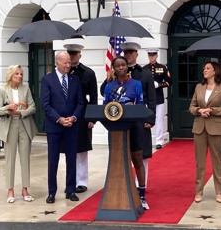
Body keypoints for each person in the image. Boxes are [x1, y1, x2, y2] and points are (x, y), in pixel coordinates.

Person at [100, 42, 156, 195]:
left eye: (132, 52)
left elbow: (151, 98)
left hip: (139, 120)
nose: (129, 55)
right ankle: (125, 183)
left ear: (137, 54)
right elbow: (104, 94)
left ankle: (140, 186)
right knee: (122, 153)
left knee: (141, 153)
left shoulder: (144, 73)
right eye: (127, 52)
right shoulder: (114, 77)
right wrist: (108, 79)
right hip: (118, 123)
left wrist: (150, 119)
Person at [103, 56, 149, 209]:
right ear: (114, 69)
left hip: (134, 127)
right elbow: (105, 106)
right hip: (116, 129)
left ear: (127, 67)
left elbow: (141, 104)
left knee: (137, 159)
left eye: (123, 65)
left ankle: (142, 195)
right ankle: (117, 193)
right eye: (118, 66)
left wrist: (132, 107)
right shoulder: (109, 86)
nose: (121, 68)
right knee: (118, 161)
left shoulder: (136, 84)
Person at [41, 51, 84, 204]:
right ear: (57, 63)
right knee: (53, 160)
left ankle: (70, 190)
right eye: (65, 62)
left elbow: (80, 102)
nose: (68, 65)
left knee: (71, 158)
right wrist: (59, 119)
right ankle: (52, 192)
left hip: (71, 126)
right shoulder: (47, 80)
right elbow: (45, 104)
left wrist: (73, 117)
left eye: (69, 62)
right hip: (54, 126)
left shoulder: (75, 79)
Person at [189, 61, 221, 203]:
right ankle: (199, 191)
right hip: (200, 127)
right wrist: (200, 110)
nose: (205, 70)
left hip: (216, 128)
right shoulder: (199, 87)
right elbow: (192, 107)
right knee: (200, 162)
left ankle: (219, 191)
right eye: (204, 68)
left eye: (208, 68)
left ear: (215, 71)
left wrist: (212, 111)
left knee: (216, 160)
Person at [0, 64, 38, 203]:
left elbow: (32, 107)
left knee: (25, 157)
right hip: (9, 125)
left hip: (24, 124)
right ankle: (10, 190)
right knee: (10, 158)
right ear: (11, 75)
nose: (20, 76)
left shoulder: (25, 89)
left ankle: (25, 189)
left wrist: (20, 112)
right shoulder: (3, 89)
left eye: (21, 74)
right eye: (17, 74)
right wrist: (8, 108)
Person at [63, 44, 98, 194]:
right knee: (68, 150)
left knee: (82, 149)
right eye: (70, 53)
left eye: (75, 53)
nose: (72, 56)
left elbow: (93, 98)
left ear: (80, 55)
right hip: (66, 113)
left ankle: (82, 181)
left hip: (83, 114)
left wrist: (92, 118)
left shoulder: (88, 73)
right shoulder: (62, 72)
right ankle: (70, 181)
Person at [144, 49, 171, 149]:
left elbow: (169, 82)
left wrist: (159, 85)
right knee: (147, 119)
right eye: (149, 55)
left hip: (158, 97)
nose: (151, 57)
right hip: (147, 98)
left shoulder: (162, 68)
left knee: (159, 119)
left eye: (153, 55)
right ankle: (147, 140)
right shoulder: (144, 69)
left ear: (156, 56)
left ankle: (159, 141)